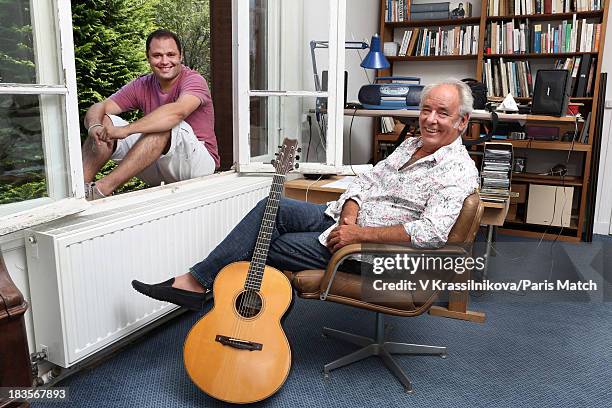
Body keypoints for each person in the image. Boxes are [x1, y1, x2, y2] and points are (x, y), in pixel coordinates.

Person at [132, 79, 480, 311]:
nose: (430, 120)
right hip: (341, 220)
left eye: (442, 113)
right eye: (425, 110)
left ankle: (218, 298)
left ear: (462, 122)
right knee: (272, 207)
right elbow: (369, 178)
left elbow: (432, 233)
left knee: (264, 242)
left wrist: (357, 234)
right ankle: (197, 283)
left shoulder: (458, 170)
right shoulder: (411, 145)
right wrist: (351, 212)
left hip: (370, 252)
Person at [82, 29, 219, 200]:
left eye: (171, 54)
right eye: (157, 55)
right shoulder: (143, 84)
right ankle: (80, 191)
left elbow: (177, 112)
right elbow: (100, 106)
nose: (164, 61)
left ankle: (101, 190)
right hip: (158, 161)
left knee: (166, 124)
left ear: (180, 56)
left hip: (197, 165)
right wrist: (95, 125)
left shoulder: (194, 80)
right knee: (105, 120)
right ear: (148, 57)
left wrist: (127, 129)